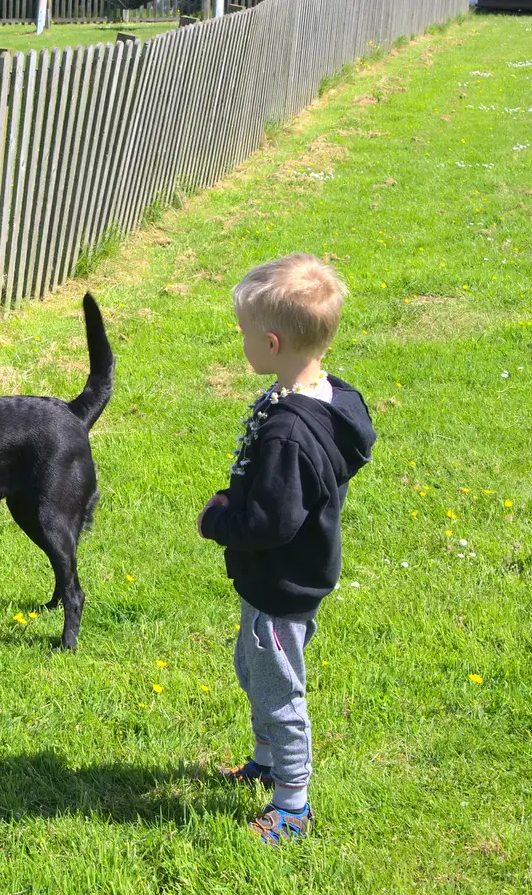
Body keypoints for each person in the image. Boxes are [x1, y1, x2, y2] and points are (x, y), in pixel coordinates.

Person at [196, 253, 376, 845]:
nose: (241, 342)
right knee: (254, 669)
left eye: (244, 334)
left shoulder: (291, 433)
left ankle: (293, 806)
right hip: (278, 577)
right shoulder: (324, 395)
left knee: (277, 688)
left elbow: (272, 521)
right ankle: (267, 762)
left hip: (281, 581)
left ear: (271, 342)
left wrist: (222, 519)